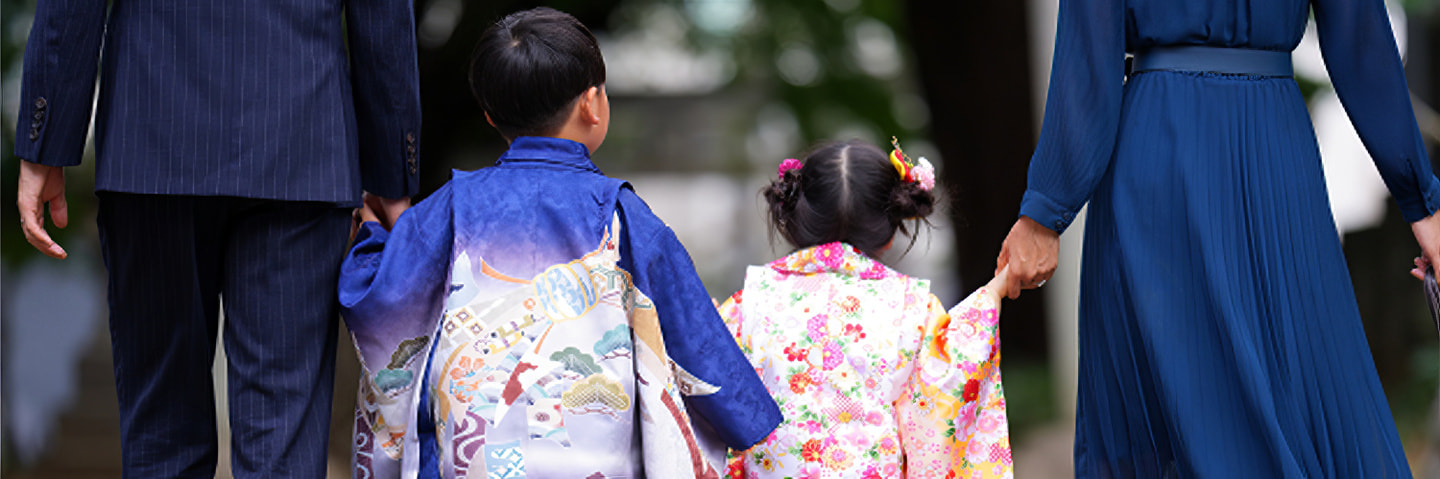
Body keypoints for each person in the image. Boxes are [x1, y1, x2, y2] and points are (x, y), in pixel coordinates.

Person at [996, 0, 1440, 476]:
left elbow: (1089, 54)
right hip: (1272, 148)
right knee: (1299, 395)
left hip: (1162, 148)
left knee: (1183, 411)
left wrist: (1045, 211)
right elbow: (1361, 42)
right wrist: (1422, 204)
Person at [338, 7, 783, 478]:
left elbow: (379, 300)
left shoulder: (449, 208)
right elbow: (695, 341)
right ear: (592, 103)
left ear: (489, 116)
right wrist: (745, 413)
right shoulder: (623, 216)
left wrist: (374, 235)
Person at [13, 0, 420, 477]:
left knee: (162, 432)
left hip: (153, 134)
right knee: (282, 438)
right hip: (301, 133)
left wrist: (45, 140)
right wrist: (392, 167)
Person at [719, 140, 1013, 479]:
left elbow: (711, 398)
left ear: (797, 220)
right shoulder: (913, 308)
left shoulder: (748, 303)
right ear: (889, 232)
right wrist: (995, 291)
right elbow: (944, 397)